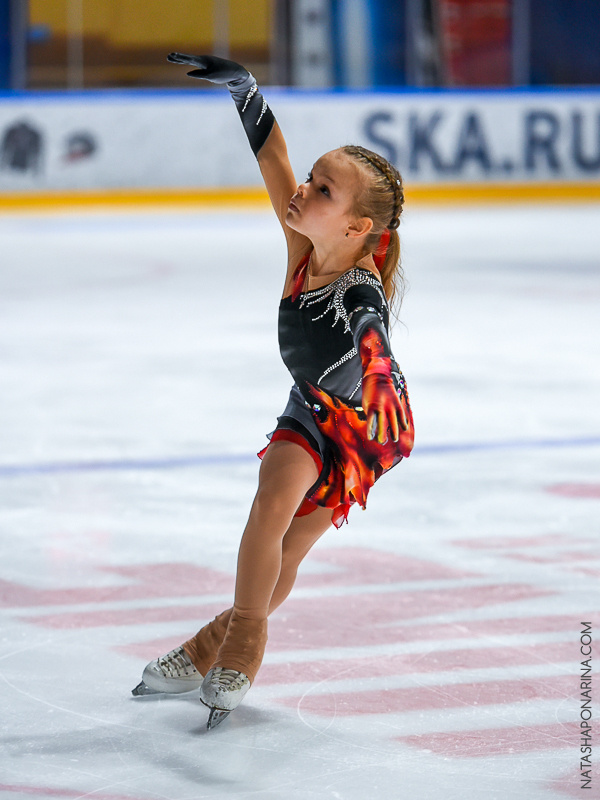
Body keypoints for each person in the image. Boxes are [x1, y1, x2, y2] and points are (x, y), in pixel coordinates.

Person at [132, 53, 415, 728]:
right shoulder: (303, 251)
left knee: (288, 548)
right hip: (311, 403)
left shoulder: (360, 293)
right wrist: (245, 90)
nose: (304, 191)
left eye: (322, 191)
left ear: (355, 229)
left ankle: (235, 646)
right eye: (316, 178)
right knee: (269, 513)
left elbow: (373, 345)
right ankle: (217, 645)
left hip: (369, 430)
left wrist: (375, 374)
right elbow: (274, 161)